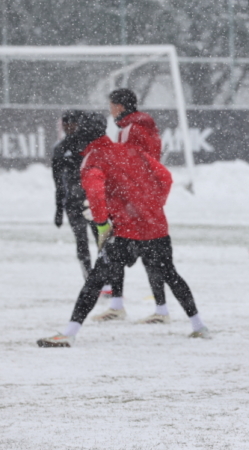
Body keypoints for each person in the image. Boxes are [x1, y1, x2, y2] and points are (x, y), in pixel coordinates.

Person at [36, 113, 210, 347]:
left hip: (126, 232)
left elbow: (96, 194)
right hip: (155, 227)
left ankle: (69, 332)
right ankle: (199, 326)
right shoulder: (131, 150)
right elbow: (166, 177)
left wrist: (101, 224)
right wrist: (152, 206)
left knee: (96, 280)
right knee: (170, 274)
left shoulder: (93, 159)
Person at [91, 88, 169, 324]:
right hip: (148, 200)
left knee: (112, 250)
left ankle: (117, 306)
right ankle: (161, 309)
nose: (110, 110)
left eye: (111, 105)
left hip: (132, 202)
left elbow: (125, 166)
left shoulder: (128, 131)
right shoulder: (148, 128)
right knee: (152, 255)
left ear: (120, 107)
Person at [51, 110, 97, 279]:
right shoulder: (60, 149)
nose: (67, 127)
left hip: (92, 202)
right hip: (73, 203)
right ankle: (89, 277)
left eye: (71, 123)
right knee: (81, 241)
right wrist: (58, 210)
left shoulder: (90, 145)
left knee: (101, 239)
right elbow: (58, 182)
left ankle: (104, 279)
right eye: (65, 124)